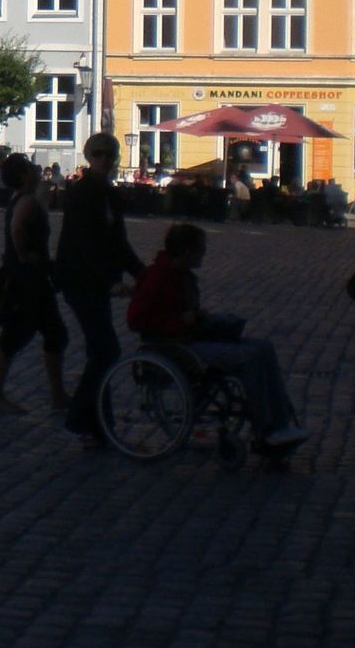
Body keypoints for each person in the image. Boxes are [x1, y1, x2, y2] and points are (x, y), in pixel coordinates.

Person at [127, 223, 309, 451]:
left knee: (265, 348)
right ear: (186, 251)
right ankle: (266, 430)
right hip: (175, 346)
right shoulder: (158, 276)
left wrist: (197, 317)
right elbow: (136, 320)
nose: (204, 253)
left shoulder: (179, 275)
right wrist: (180, 321)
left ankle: (281, 424)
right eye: (201, 249)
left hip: (191, 337)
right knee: (250, 357)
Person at [56, 132, 147, 446]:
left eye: (110, 153)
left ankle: (99, 426)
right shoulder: (82, 193)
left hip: (96, 283)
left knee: (102, 351)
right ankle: (81, 421)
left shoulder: (108, 192)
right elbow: (87, 243)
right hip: (80, 280)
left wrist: (143, 274)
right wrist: (112, 281)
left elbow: (118, 243)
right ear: (88, 155)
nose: (105, 159)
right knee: (106, 350)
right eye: (98, 153)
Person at [0, 153, 70, 415]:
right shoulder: (27, 201)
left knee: (54, 333)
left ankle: (58, 395)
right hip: (26, 279)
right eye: (31, 168)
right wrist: (25, 254)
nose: (36, 170)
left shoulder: (23, 198)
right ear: (23, 175)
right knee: (15, 336)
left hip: (31, 277)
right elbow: (17, 228)